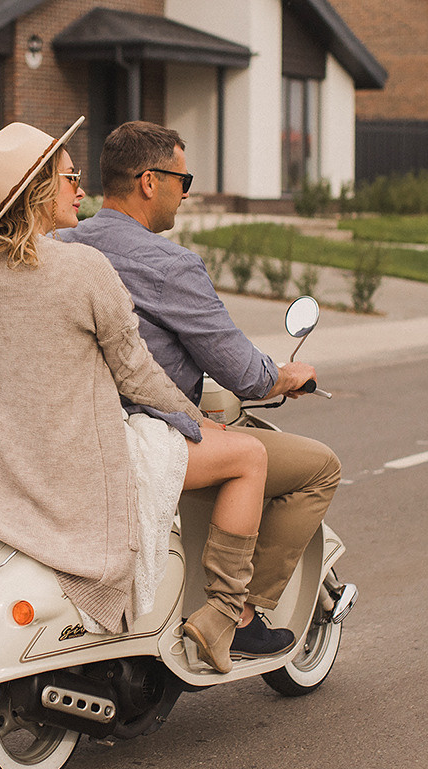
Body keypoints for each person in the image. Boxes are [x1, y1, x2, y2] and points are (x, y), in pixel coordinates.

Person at [0, 120, 271, 663]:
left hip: (4, 462)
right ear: (38, 191)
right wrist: (197, 420)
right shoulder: (82, 269)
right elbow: (138, 376)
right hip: (84, 463)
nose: (81, 189)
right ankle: (228, 618)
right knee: (248, 454)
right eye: (69, 178)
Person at [58, 120, 343, 663]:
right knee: (317, 466)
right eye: (183, 182)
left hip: (79, 433)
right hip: (150, 436)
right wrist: (290, 374)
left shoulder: (63, 243)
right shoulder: (171, 266)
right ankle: (238, 613)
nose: (187, 194)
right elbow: (244, 374)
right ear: (149, 181)